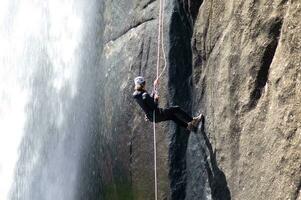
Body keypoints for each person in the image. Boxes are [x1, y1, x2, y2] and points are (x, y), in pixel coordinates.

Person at [132, 76, 203, 132]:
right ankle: (193, 121)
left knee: (172, 116)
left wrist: (155, 86)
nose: (145, 84)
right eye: (144, 83)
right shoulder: (144, 94)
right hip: (157, 114)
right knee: (176, 109)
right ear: (142, 84)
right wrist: (156, 99)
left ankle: (188, 127)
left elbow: (148, 100)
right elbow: (154, 106)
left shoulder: (138, 95)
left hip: (152, 118)